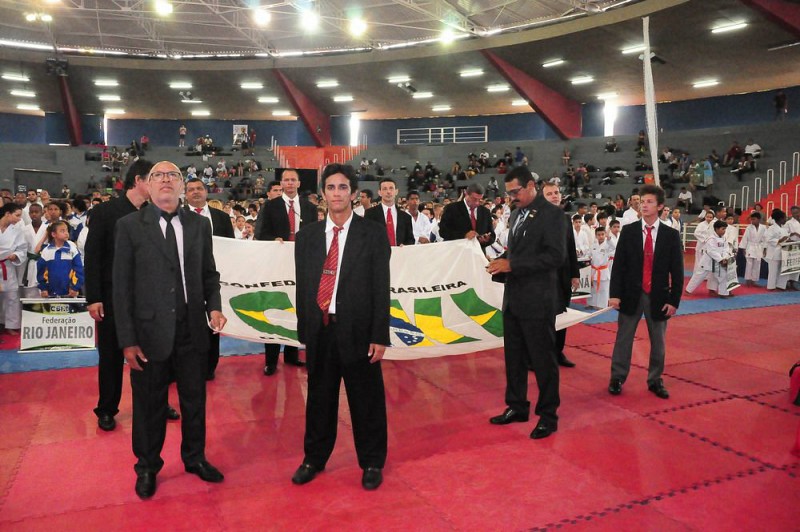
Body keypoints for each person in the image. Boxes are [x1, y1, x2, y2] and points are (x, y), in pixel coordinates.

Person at [113, 160, 227, 499]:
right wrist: (127, 340)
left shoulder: (199, 225)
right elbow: (121, 287)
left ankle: (195, 457)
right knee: (149, 404)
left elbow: (209, 273)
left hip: (192, 328)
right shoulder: (129, 226)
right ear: (147, 185)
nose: (166, 180)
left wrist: (215, 306)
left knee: (194, 400)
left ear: (182, 185)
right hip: (149, 332)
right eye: (158, 175)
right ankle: (147, 466)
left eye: (173, 175)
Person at [291, 163, 390, 490]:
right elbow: (303, 285)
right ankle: (313, 458)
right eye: (331, 187)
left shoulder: (372, 233)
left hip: (359, 330)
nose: (336, 193)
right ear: (323, 193)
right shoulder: (306, 237)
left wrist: (379, 334)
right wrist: (304, 330)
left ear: (353, 193)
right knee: (319, 397)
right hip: (320, 330)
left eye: (342, 187)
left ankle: (372, 461)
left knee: (366, 399)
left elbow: (381, 287)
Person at [85, 160, 176, 432]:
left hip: (149, 298)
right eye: (154, 178)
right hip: (113, 296)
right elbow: (93, 256)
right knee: (111, 355)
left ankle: (157, 402)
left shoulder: (155, 213)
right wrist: (94, 297)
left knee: (154, 354)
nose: (160, 183)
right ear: (139, 180)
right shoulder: (105, 212)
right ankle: (107, 408)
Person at [486, 166, 566, 440]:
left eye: (515, 191)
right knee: (514, 359)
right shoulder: (517, 214)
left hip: (538, 300)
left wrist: (513, 264)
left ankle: (548, 415)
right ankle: (517, 406)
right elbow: (519, 251)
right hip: (514, 298)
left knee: (543, 361)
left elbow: (555, 256)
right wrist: (501, 262)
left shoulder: (553, 215)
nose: (512, 197)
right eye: (508, 193)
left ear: (531, 185)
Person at [608, 184, 684, 399]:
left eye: (649, 202)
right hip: (630, 293)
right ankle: (617, 377)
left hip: (659, 294)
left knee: (658, 340)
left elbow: (677, 271)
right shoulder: (629, 231)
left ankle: (655, 379)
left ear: (660, 206)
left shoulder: (670, 235)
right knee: (623, 338)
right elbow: (619, 266)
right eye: (642, 202)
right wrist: (614, 294)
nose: (644, 205)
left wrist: (674, 300)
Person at [255, 169, 316, 375]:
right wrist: (273, 240)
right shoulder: (270, 206)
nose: (289, 183)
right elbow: (260, 233)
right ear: (281, 184)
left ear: (299, 183)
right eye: (286, 180)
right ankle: (271, 360)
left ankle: (292, 355)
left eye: (293, 180)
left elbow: (316, 234)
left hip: (302, 266)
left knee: (297, 308)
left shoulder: (309, 208)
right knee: (275, 307)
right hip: (277, 265)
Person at [184, 178, 235, 381]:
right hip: (188, 281)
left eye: (199, 188)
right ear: (185, 194)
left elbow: (232, 247)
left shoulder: (222, 217)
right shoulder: (178, 217)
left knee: (214, 321)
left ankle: (209, 366)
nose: (195, 192)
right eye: (191, 189)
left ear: (206, 192)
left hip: (216, 277)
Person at [541, 180, 578, 368]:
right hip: (543, 276)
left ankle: (558, 351)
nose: (554, 196)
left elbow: (571, 247)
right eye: (549, 194)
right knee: (543, 317)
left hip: (563, 275)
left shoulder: (565, 218)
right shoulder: (536, 218)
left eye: (556, 192)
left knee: (563, 315)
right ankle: (540, 355)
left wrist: (575, 274)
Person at [438, 183, 495, 248]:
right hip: (458, 250)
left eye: (480, 200)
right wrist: (464, 235)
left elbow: (492, 235)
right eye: (474, 199)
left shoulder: (485, 212)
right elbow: (443, 231)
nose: (477, 203)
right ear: (466, 194)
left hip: (478, 251)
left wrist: (487, 239)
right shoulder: (452, 208)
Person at [0, 204, 28, 335]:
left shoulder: (17, 231)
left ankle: (11, 325)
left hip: (7, 265)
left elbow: (22, 248)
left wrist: (16, 255)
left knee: (11, 295)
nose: (19, 219)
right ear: (7, 213)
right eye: (17, 215)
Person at [36, 221, 83, 297]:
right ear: (53, 234)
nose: (66, 233)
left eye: (67, 230)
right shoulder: (46, 251)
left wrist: (75, 287)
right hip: (51, 293)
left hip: (69, 292)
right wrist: (43, 288)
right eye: (62, 231)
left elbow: (78, 269)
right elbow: (41, 272)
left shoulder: (72, 249)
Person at [686, 221, 732, 298]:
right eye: (723, 229)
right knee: (698, 276)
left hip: (719, 262)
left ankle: (723, 293)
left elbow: (726, 249)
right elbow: (711, 251)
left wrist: (724, 258)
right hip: (708, 261)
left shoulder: (724, 238)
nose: (724, 231)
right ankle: (688, 290)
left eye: (725, 229)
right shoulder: (711, 239)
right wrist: (721, 259)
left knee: (723, 275)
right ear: (716, 229)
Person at [364, 178, 414, 246]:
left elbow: (410, 240)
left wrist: (405, 246)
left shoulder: (406, 217)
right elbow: (366, 237)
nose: (388, 192)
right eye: (385, 189)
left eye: (391, 188)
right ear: (379, 192)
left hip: (400, 252)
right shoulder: (370, 214)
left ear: (396, 191)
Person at [739, 212, 766, 286]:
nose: (752, 221)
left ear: (759, 219)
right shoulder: (749, 227)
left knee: (757, 264)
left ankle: (754, 281)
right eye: (752, 219)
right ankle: (748, 280)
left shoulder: (763, 227)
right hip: (750, 246)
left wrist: (765, 249)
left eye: (754, 219)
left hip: (759, 247)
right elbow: (745, 238)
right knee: (749, 264)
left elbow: (765, 239)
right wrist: (743, 248)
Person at [588, 226, 612, 309]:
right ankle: (592, 303)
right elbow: (589, 255)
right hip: (594, 270)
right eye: (599, 235)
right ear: (596, 236)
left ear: (605, 235)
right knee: (593, 288)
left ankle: (602, 305)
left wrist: (609, 238)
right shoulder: (593, 246)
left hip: (603, 270)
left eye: (602, 234)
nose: (601, 236)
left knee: (603, 289)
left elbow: (614, 247)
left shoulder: (608, 245)